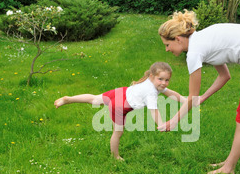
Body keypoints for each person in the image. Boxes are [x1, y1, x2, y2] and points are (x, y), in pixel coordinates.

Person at [158, 10, 240, 174]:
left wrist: (173, 121)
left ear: (178, 39)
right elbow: (225, 76)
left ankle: (228, 169)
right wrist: (203, 98)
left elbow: (191, 97)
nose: (167, 49)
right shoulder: (202, 40)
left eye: (167, 44)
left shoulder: (194, 52)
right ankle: (228, 162)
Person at [54, 62, 187, 160]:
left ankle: (68, 99)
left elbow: (170, 93)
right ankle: (115, 156)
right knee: (118, 133)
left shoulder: (152, 82)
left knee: (94, 99)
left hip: (120, 92)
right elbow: (154, 111)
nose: (164, 83)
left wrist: (186, 100)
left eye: (167, 80)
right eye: (161, 79)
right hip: (120, 106)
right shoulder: (151, 92)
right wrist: (161, 124)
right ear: (152, 76)